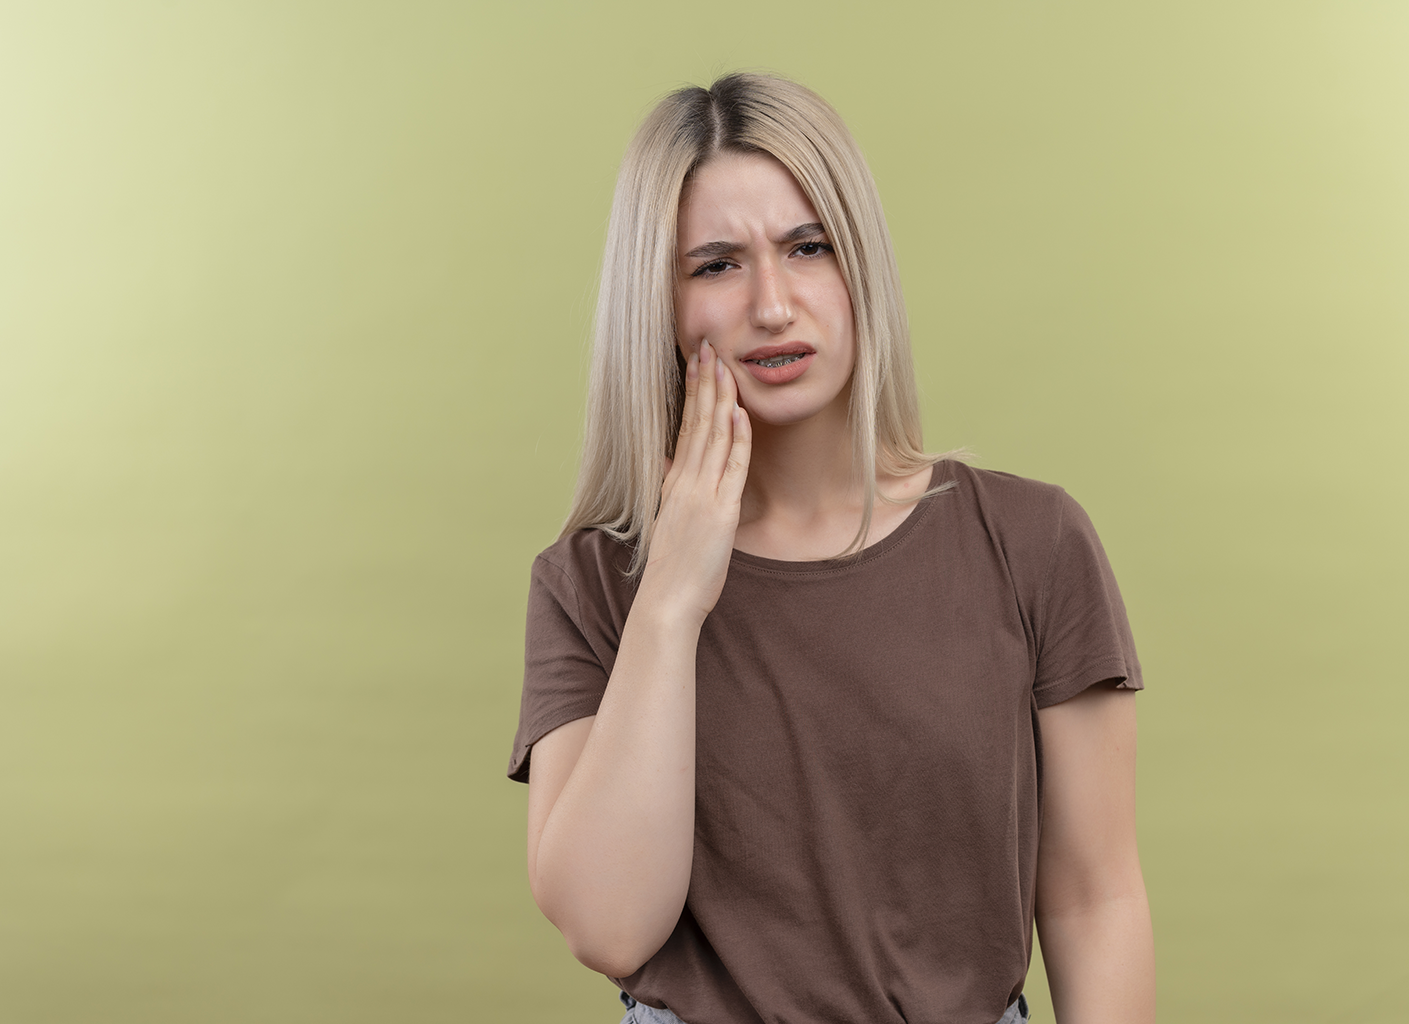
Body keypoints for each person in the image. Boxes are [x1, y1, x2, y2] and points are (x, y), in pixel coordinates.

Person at [508, 72, 1155, 1024]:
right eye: (715, 264)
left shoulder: (1030, 542)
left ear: (860, 269)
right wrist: (674, 599)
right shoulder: (592, 582)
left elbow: (1095, 903)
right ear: (659, 300)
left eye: (807, 248)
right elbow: (608, 928)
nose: (772, 305)